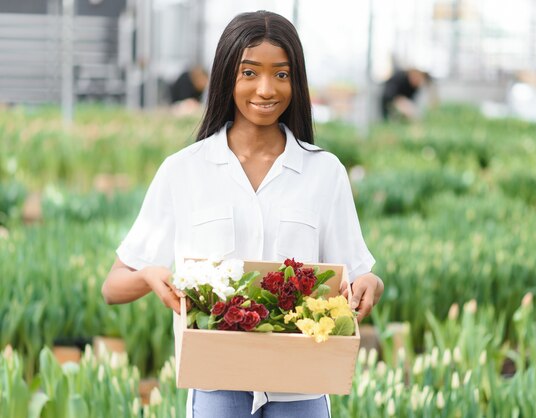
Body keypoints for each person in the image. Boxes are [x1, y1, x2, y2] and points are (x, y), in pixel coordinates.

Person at [101, 10, 384, 418]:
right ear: (225, 78)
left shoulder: (325, 172)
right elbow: (113, 286)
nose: (266, 89)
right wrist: (148, 275)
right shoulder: (184, 170)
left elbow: (357, 274)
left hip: (301, 388)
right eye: (249, 73)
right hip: (217, 387)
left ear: (296, 81)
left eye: (281, 74)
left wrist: (369, 283)